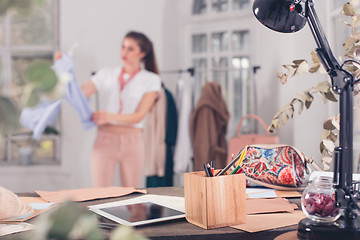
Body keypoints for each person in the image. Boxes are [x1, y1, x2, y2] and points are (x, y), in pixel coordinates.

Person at [81, 31, 161, 188]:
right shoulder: (106, 74)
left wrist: (109, 116)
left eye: (130, 49)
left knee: (131, 196)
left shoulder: (151, 80)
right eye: (123, 47)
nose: (124, 52)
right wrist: (64, 72)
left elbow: (139, 116)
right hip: (104, 140)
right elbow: (81, 93)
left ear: (143, 53)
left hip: (133, 142)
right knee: (100, 195)